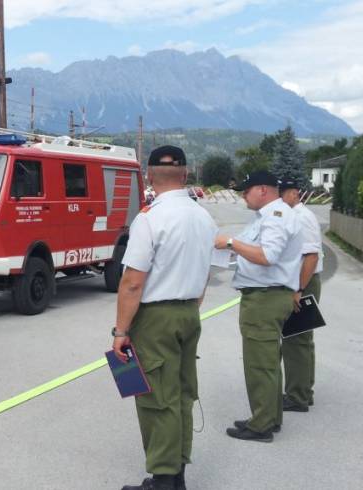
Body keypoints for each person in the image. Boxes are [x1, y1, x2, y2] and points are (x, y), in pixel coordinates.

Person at [112, 146, 217, 490]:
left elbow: (132, 283)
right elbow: (205, 272)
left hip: (155, 317)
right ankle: (178, 474)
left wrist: (120, 331)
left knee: (157, 398)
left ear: (149, 176)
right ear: (186, 175)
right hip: (188, 312)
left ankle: (163, 479)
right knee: (183, 395)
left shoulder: (150, 218)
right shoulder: (204, 217)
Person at [215, 170, 302, 442]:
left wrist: (231, 242)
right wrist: (234, 248)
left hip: (265, 298)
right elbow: (252, 251)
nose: (243, 196)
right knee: (267, 362)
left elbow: (267, 256)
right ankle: (270, 417)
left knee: (259, 364)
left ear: (262, 190)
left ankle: (261, 424)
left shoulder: (275, 217)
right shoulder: (266, 216)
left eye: (246, 190)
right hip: (267, 295)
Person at [278, 179, 322, 413]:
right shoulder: (295, 214)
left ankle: (297, 396)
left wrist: (299, 290)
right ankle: (304, 390)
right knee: (302, 339)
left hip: (304, 282)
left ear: (295, 193)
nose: (280, 197)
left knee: (295, 341)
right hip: (303, 282)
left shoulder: (301, 217)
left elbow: (311, 256)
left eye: (283, 192)